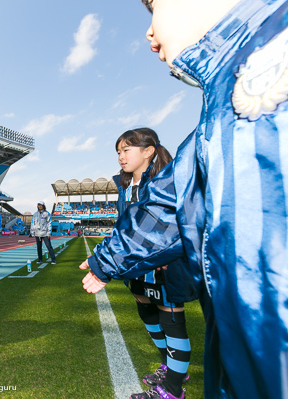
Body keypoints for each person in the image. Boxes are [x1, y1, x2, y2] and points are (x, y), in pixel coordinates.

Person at [80, 1, 288, 398]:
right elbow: (169, 209)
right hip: (250, 343)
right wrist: (108, 259)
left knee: (173, 321)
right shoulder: (224, 94)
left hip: (256, 328)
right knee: (154, 318)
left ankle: (173, 383)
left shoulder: (267, 60)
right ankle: (170, 373)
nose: (149, 31)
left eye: (153, 7)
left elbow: (171, 210)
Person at [112, 128, 195, 399]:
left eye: (126, 150)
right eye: (118, 152)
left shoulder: (165, 181)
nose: (121, 157)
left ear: (148, 151)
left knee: (172, 321)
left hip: (165, 265)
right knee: (147, 312)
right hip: (138, 266)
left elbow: (173, 224)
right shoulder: (125, 186)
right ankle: (172, 368)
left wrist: (165, 256)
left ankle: (172, 390)